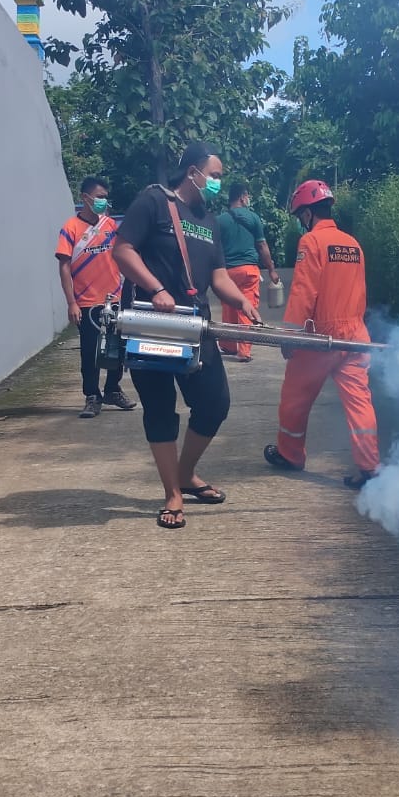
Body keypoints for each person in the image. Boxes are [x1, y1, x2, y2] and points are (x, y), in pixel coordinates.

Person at [112, 143, 264, 529]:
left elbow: (217, 276)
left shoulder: (209, 220)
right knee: (161, 409)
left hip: (195, 326)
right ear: (193, 171)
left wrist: (242, 301)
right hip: (153, 323)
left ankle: (185, 472)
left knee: (215, 403)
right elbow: (123, 250)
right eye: (214, 174)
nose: (217, 182)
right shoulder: (153, 203)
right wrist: (156, 288)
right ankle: (173, 494)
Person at [263, 179, 380, 489]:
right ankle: (369, 468)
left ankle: (290, 454)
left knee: (294, 400)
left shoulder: (311, 243)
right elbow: (359, 292)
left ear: (307, 214)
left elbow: (303, 292)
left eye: (301, 216)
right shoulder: (352, 243)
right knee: (360, 403)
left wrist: (291, 335)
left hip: (320, 339)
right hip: (355, 336)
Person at [55, 176, 137, 419]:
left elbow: (126, 254)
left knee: (117, 347)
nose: (102, 201)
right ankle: (92, 395)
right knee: (90, 352)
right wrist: (71, 302)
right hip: (86, 302)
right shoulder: (70, 228)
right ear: (85, 198)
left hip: (114, 297)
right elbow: (64, 266)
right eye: (98, 196)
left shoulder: (111, 226)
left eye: (104, 197)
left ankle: (113, 389)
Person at [214, 182, 281, 361]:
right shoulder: (253, 218)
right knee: (247, 308)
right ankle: (244, 352)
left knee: (229, 307)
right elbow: (262, 245)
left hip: (227, 273)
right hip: (248, 271)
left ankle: (227, 345)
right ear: (243, 197)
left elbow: (215, 248)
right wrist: (272, 270)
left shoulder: (220, 220)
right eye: (247, 196)